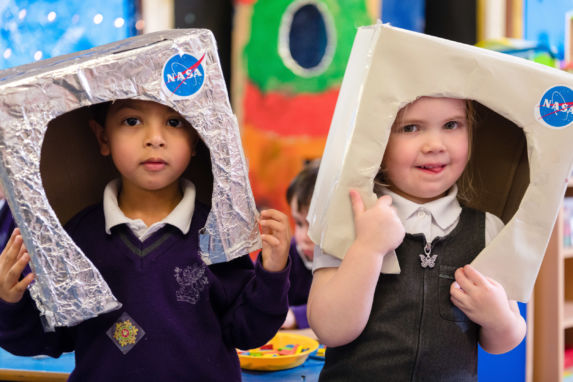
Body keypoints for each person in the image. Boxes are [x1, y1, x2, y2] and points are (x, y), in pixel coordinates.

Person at [0, 99, 291, 381]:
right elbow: (47, 337)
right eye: (132, 121)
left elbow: (246, 331)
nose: (155, 138)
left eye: (174, 122)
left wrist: (273, 274)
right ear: (102, 137)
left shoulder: (218, 230)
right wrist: (8, 302)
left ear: (196, 138)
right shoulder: (77, 235)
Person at [307, 97, 526, 381]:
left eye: (451, 124)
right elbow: (329, 330)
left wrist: (499, 318)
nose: (434, 144)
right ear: (378, 139)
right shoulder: (350, 217)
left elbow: (503, 341)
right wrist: (368, 249)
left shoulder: (489, 228)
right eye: (410, 128)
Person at [280, 160, 319, 330]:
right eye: (299, 223)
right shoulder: (290, 252)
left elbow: (347, 306)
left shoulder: (353, 260)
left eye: (316, 226)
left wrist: (296, 316)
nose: (305, 237)